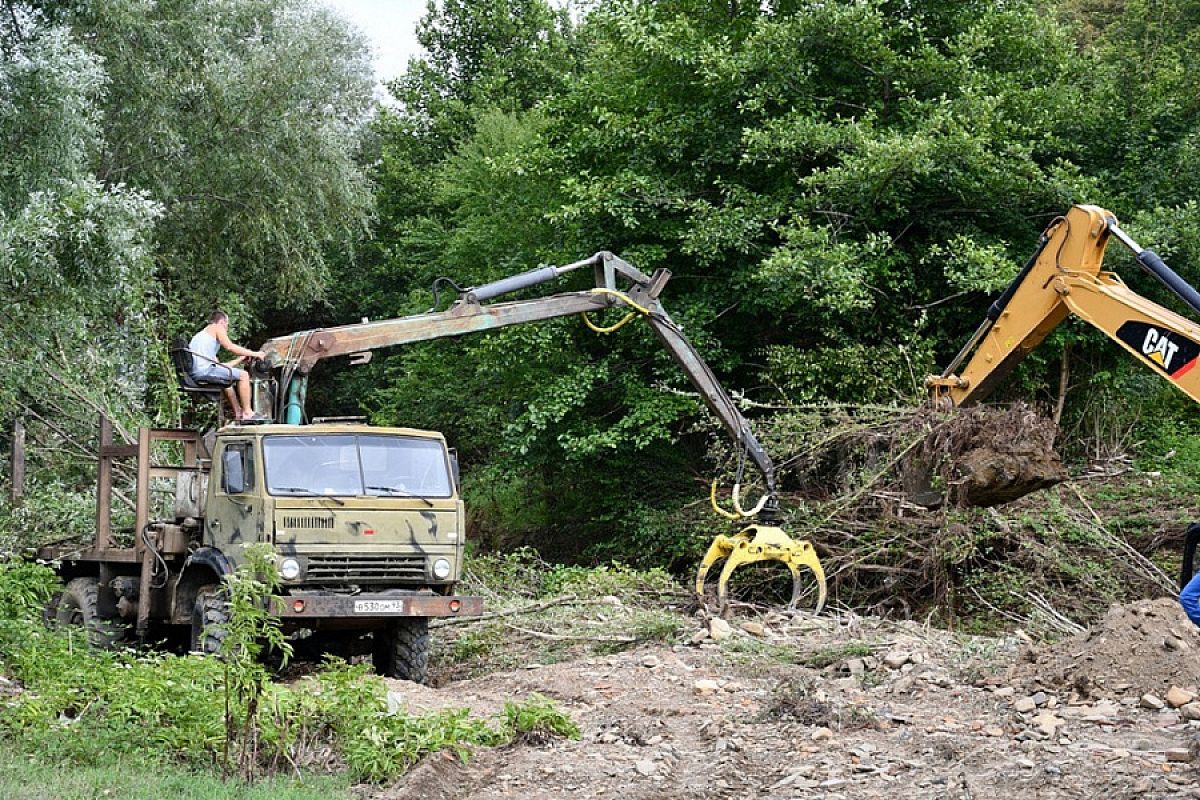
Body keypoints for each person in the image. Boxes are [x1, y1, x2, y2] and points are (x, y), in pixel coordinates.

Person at [189, 310, 267, 421]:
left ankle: (238, 413)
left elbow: (222, 367)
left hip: (199, 372)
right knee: (244, 375)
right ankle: (248, 412)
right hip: (204, 371)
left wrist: (239, 360)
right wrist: (255, 353)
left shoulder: (202, 338)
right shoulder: (216, 327)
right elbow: (230, 347)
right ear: (221, 322)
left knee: (227, 381)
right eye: (227, 325)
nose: (226, 329)